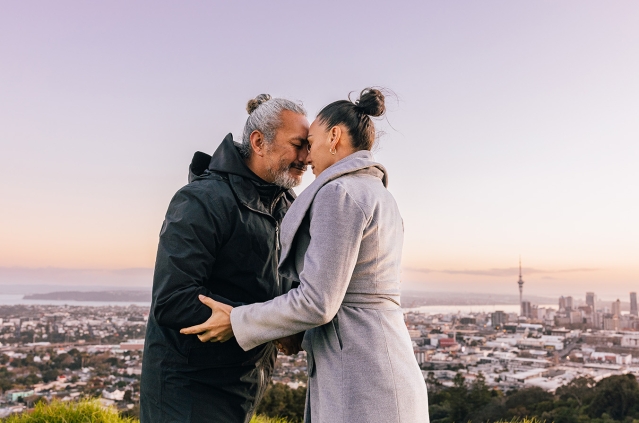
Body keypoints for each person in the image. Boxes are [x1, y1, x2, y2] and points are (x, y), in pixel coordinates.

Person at [181, 88, 430, 423]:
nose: (307, 157)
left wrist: (238, 321)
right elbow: (351, 295)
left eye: (309, 143)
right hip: (381, 368)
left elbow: (317, 302)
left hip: (361, 378)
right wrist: (295, 333)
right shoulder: (378, 195)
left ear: (335, 136)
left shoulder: (338, 193)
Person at [140, 94, 310, 423]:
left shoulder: (287, 206)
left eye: (309, 145)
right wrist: (256, 323)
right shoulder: (202, 199)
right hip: (187, 391)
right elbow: (173, 299)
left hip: (244, 382)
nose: (307, 157)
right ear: (259, 142)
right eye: (298, 145)